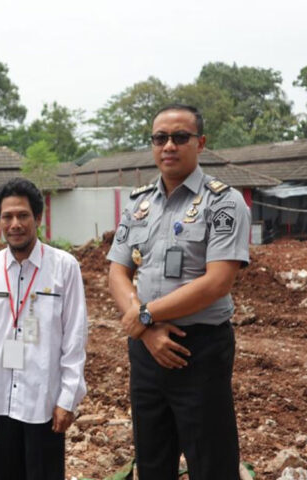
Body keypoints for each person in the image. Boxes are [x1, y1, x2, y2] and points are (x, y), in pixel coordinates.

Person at [107, 104, 250, 479]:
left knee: (212, 463)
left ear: (200, 143)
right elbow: (117, 271)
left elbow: (218, 281)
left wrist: (144, 314)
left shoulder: (223, 202)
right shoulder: (139, 204)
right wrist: (148, 329)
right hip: (146, 351)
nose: (168, 146)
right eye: (160, 138)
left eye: (179, 137)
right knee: (152, 461)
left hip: (198, 349)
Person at [0, 177, 88, 480]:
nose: (15, 224)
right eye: (7, 217)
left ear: (38, 218)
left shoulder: (64, 267)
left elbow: (75, 337)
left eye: (23, 215)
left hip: (44, 405)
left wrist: (67, 399)